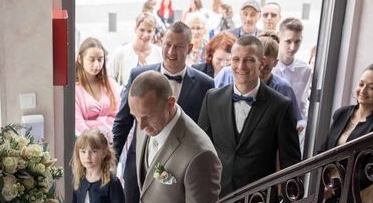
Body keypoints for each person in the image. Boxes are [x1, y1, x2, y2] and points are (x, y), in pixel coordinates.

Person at [112, 22, 214, 203]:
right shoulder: (138, 74)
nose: (171, 51)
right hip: (137, 166)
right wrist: (111, 163)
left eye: (178, 46)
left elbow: (204, 131)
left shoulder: (205, 84)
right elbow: (123, 122)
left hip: (178, 172)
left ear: (190, 48)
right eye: (167, 44)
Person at [198, 35, 301, 198]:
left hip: (260, 197)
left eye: (249, 60)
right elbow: (201, 150)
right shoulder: (212, 98)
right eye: (236, 59)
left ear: (262, 63)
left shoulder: (281, 106)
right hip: (217, 195)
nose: (241, 66)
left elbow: (291, 163)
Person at [128, 72, 221, 203]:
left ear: (170, 103)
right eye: (135, 116)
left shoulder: (201, 155)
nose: (141, 125)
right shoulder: (143, 117)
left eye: (148, 116)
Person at [319, 63, 373, 203]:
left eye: (372, 87)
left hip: (358, 195)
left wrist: (336, 189)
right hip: (329, 189)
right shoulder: (341, 113)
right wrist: (327, 183)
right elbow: (322, 150)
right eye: (361, 84)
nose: (363, 90)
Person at [214, 33, 302, 126]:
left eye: (266, 68)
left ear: (275, 63)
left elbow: (294, 121)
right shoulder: (227, 74)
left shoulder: (283, 88)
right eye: (252, 63)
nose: (259, 73)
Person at [75, 38, 120, 140]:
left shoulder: (110, 84)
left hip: (109, 143)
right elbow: (78, 123)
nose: (97, 65)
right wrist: (103, 123)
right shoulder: (75, 90)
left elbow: (117, 117)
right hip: (86, 145)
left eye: (100, 59)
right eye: (91, 59)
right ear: (80, 59)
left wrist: (92, 124)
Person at [273, 17, 312, 133]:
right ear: (279, 38)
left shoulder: (304, 69)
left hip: (292, 127)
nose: (293, 47)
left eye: (297, 42)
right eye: (288, 41)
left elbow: (302, 103)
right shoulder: (269, 67)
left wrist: (302, 122)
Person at [107, 13, 163, 89]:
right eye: (142, 30)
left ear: (154, 31)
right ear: (135, 29)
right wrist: (121, 92)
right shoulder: (121, 52)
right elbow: (109, 77)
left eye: (149, 31)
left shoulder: (159, 53)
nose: (145, 35)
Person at [72, 129, 125, 203]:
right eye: (83, 151)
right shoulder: (79, 180)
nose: (87, 156)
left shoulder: (112, 182)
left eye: (93, 151)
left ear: (104, 153)